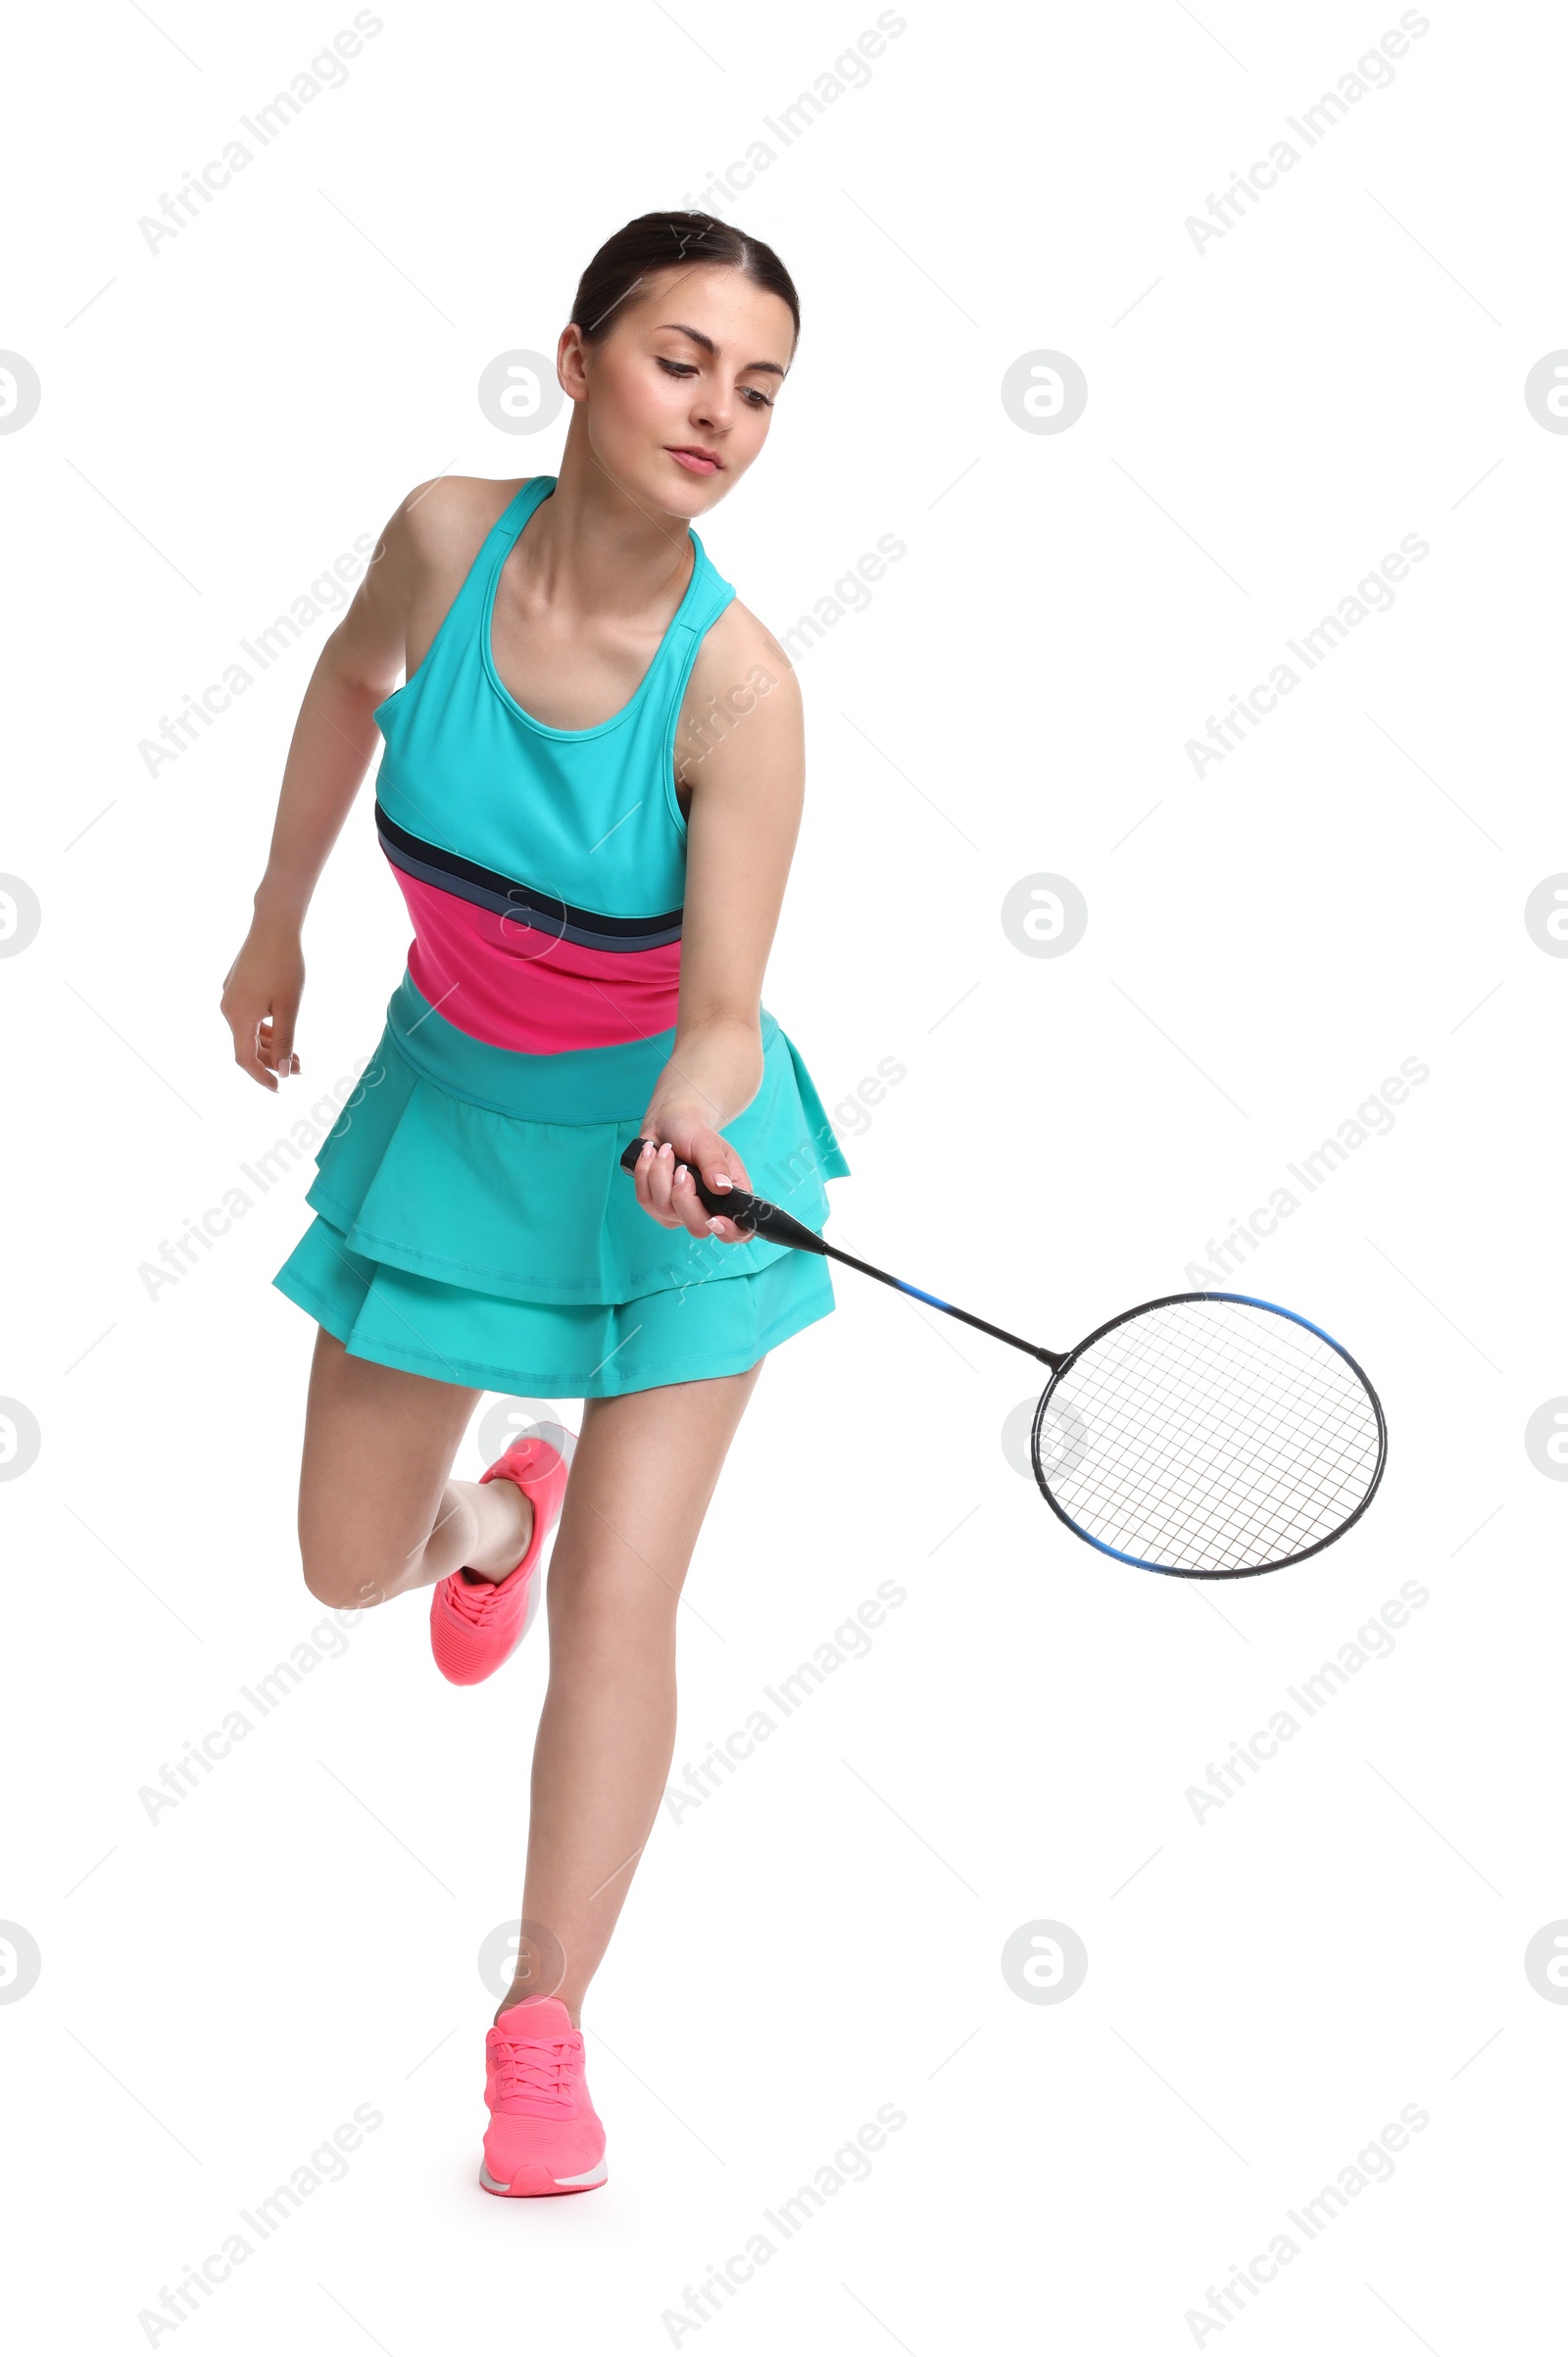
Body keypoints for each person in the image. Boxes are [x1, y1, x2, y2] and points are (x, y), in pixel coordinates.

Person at [220, 212, 848, 2198]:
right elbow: (343, 687)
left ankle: (540, 2028)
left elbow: (727, 1009)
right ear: (571, 360)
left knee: (618, 1609)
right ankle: (495, 1508)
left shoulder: (738, 692)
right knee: (342, 1565)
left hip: (675, 1175)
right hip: (452, 1117)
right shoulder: (438, 534)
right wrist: (272, 928)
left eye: (756, 387)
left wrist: (694, 1101)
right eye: (681, 361)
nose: (719, 415)